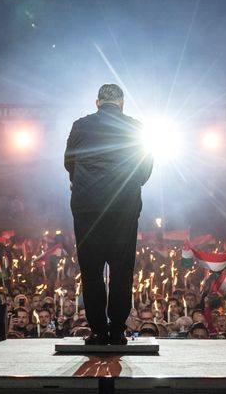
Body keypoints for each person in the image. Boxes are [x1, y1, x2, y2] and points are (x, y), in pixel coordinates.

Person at [64, 83, 153, 345]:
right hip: (123, 208)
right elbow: (146, 166)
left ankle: (98, 331)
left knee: (91, 271)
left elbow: (69, 161)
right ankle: (117, 331)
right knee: (121, 269)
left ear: (97, 102)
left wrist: (81, 181)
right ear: (122, 102)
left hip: (88, 207)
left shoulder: (80, 125)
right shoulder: (136, 126)